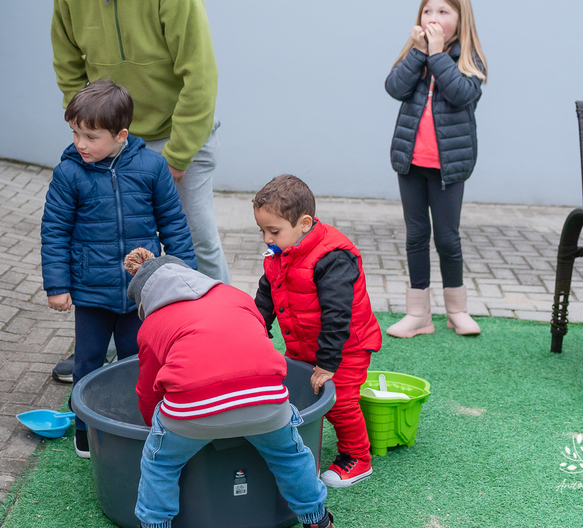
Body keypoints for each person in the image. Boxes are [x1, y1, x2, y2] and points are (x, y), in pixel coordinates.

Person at [49, 0, 226, 383]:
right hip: (111, 140)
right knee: (104, 239)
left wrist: (177, 156)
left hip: (175, 134)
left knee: (194, 240)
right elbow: (67, 65)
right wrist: (88, 132)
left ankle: (220, 338)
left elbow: (200, 75)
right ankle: (99, 345)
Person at [39, 79, 196, 457]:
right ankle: (85, 431)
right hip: (90, 291)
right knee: (88, 362)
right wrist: (57, 285)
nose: (80, 144)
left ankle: (134, 424)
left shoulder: (151, 167)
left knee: (138, 362)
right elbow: (55, 230)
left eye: (90, 137)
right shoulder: (69, 173)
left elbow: (174, 224)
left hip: (140, 292)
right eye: (75, 133)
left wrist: (186, 279)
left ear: (121, 135)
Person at [125, 248, 334, 528]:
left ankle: (154, 524)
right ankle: (317, 519)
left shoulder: (152, 324)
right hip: (264, 399)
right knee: (290, 455)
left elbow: (149, 390)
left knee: (161, 463)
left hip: (193, 411)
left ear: (146, 302)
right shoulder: (236, 296)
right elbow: (256, 341)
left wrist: (154, 427)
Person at [253, 174, 382, 488]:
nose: (267, 239)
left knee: (340, 400)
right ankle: (304, 442)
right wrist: (255, 332)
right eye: (262, 231)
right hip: (304, 342)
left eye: (274, 231)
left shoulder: (333, 257)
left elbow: (338, 316)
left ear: (304, 223)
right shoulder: (279, 253)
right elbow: (266, 297)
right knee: (300, 392)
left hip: (346, 346)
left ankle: (358, 458)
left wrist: (327, 364)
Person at [384, 0, 488, 339]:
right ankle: (418, 314)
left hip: (448, 168)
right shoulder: (415, 55)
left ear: (461, 19)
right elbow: (394, 88)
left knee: (447, 238)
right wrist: (418, 52)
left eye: (443, 12)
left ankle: (457, 311)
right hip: (410, 163)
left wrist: (438, 54)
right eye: (428, 11)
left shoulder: (469, 60)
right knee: (416, 236)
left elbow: (460, 94)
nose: (433, 18)